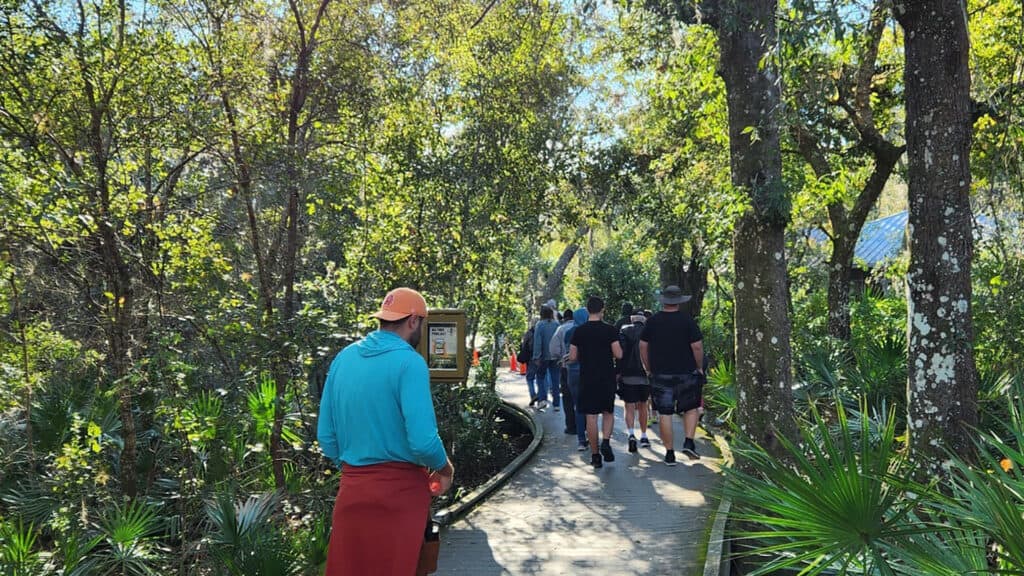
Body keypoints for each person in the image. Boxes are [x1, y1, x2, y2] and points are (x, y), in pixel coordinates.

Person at [318, 287, 455, 575]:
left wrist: (355, 471)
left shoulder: (344, 358)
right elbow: (422, 441)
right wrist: (444, 469)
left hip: (352, 492)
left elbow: (327, 438)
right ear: (414, 321)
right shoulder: (410, 363)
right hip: (400, 497)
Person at [640, 285, 705, 466]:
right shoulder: (687, 321)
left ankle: (669, 453)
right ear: (679, 302)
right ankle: (689, 441)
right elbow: (697, 346)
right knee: (691, 407)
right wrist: (699, 367)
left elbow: (643, 346)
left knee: (665, 413)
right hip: (686, 372)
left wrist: (648, 367)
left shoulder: (652, 322)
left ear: (664, 301)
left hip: (660, 373)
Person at [569, 296, 623, 469]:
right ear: (602, 309)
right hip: (606, 377)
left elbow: (572, 356)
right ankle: (606, 441)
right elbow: (619, 354)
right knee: (608, 412)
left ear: (587, 309)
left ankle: (595, 455)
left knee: (590, 417)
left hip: (587, 377)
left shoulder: (579, 331)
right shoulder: (610, 330)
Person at [618, 313, 651, 453]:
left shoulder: (624, 330)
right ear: (644, 320)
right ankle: (644, 436)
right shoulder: (650, 331)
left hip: (628, 374)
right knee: (643, 405)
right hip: (645, 375)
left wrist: (618, 372)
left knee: (629, 405)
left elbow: (620, 353)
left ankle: (631, 434)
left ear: (632, 319)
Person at [563, 308, 589, 451]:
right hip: (587, 372)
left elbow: (567, 352)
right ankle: (588, 434)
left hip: (572, 372)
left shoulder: (568, 332)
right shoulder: (587, 332)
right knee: (590, 407)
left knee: (578, 406)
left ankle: (581, 439)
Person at [550, 308, 577, 434]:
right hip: (582, 368)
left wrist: (560, 357)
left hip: (566, 367)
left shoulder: (561, 329)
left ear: (564, 318)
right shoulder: (581, 327)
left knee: (567, 398)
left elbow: (553, 348)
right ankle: (583, 426)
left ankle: (571, 426)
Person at [532, 305, 561, 411]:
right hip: (555, 357)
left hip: (543, 356)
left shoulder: (540, 325)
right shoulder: (557, 324)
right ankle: (556, 404)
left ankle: (542, 399)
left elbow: (538, 342)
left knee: (540, 377)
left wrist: (536, 356)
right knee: (555, 379)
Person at [518, 319, 540, 407]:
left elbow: (524, 346)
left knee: (530, 378)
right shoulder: (541, 333)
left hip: (531, 358)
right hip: (541, 358)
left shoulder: (529, 333)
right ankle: (540, 395)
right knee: (541, 378)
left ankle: (533, 395)